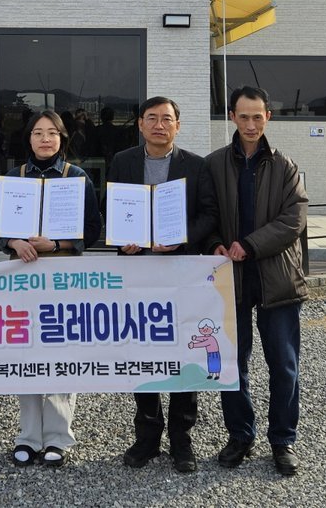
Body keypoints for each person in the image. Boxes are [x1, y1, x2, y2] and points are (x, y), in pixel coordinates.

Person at [108, 95, 219, 474]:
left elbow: (209, 214)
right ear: (140, 124)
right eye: (152, 118)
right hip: (138, 273)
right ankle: (147, 436)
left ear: (178, 125)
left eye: (166, 119)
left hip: (180, 273)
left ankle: (181, 438)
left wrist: (180, 239)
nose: (159, 125)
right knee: (143, 352)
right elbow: (112, 209)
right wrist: (122, 239)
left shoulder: (197, 166)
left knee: (184, 351)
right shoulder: (123, 162)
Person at [204, 85, 308, 477]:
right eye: (244, 116)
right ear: (232, 117)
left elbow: (293, 220)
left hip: (277, 279)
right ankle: (240, 436)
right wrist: (213, 242)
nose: (251, 124)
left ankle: (283, 440)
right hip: (230, 280)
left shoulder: (285, 166)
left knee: (284, 365)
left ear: (268, 117)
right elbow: (206, 214)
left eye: (257, 117)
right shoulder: (214, 164)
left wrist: (249, 244)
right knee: (234, 364)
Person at [4, 109, 102, 468]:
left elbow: (92, 228)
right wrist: (14, 242)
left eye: (52, 133)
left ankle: (59, 437)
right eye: (37, 133)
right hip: (23, 276)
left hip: (63, 277)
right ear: (28, 138)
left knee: (62, 350)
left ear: (62, 138)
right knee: (26, 351)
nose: (45, 139)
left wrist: (57, 244)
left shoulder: (76, 177)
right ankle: (28, 436)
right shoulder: (14, 177)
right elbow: (0, 228)